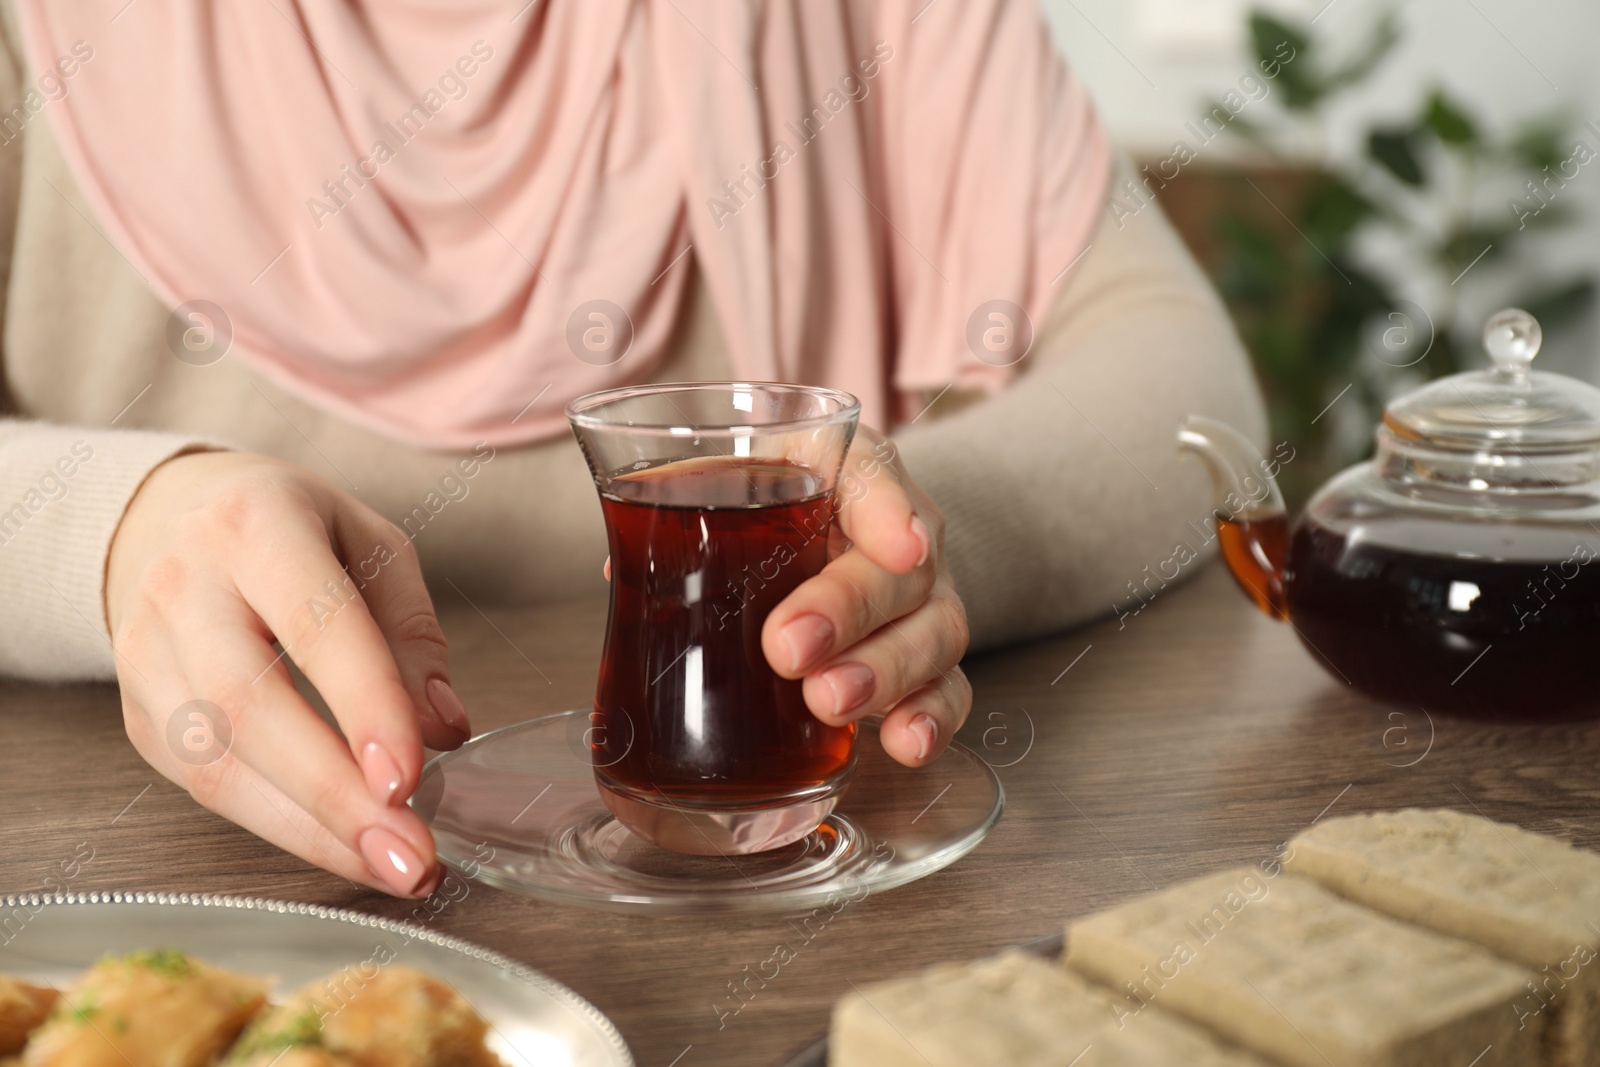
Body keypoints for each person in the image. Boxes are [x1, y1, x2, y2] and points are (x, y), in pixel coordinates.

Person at [0, 0, 1265, 898]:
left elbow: (1174, 372)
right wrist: (108, 532)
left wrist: (912, 551)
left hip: (825, 918)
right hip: (184, 896)